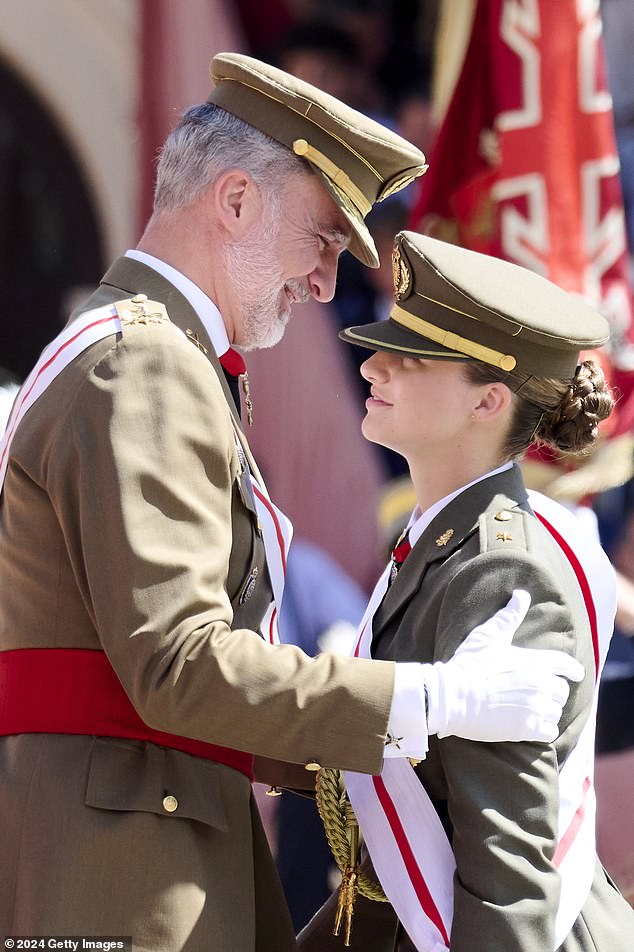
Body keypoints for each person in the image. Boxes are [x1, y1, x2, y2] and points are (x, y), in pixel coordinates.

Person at [0, 57, 584, 952]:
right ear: (234, 202)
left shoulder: (148, 352)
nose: (322, 284)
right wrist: (432, 701)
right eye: (319, 240)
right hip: (122, 875)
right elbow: (180, 667)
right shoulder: (148, 365)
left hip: (130, 850)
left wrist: (391, 759)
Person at [299, 231, 634, 951]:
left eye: (410, 358)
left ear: (487, 401)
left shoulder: (503, 570)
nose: (375, 365)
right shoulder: (446, 540)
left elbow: (508, 863)